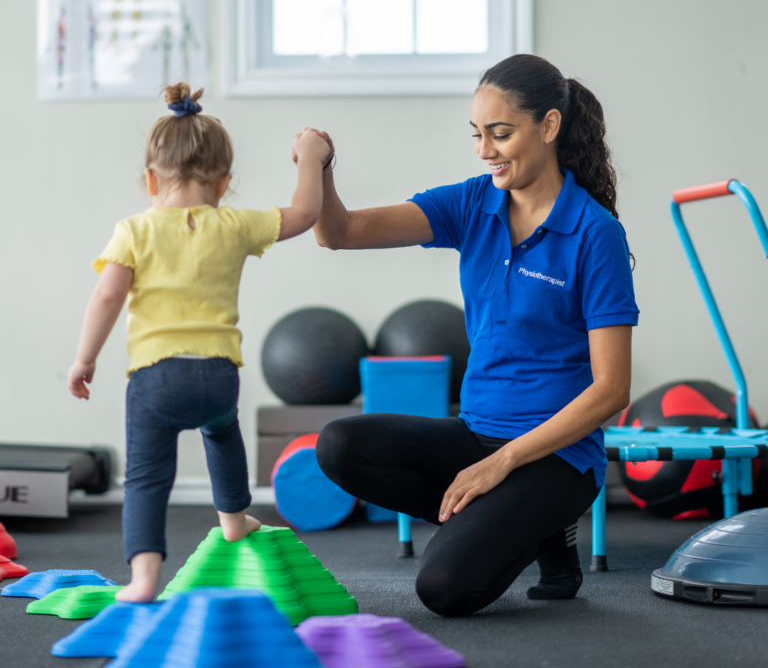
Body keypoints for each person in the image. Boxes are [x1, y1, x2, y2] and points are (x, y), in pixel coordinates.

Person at [313, 54, 639, 617]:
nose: (486, 150)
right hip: (475, 433)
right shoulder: (472, 202)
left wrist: (506, 461)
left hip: (556, 457)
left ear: (550, 127)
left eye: (501, 134)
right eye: (478, 135)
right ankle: (533, 533)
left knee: (443, 589)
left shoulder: (595, 233)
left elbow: (612, 391)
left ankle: (540, 522)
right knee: (339, 445)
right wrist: (318, 168)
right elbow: (338, 233)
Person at [67, 83, 331, 602]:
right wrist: (311, 157)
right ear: (225, 181)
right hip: (217, 376)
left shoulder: (134, 230)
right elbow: (304, 214)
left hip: (154, 377)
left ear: (149, 178)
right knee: (222, 434)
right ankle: (233, 516)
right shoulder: (234, 225)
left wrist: (85, 359)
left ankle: (144, 578)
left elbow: (105, 297)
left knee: (145, 477)